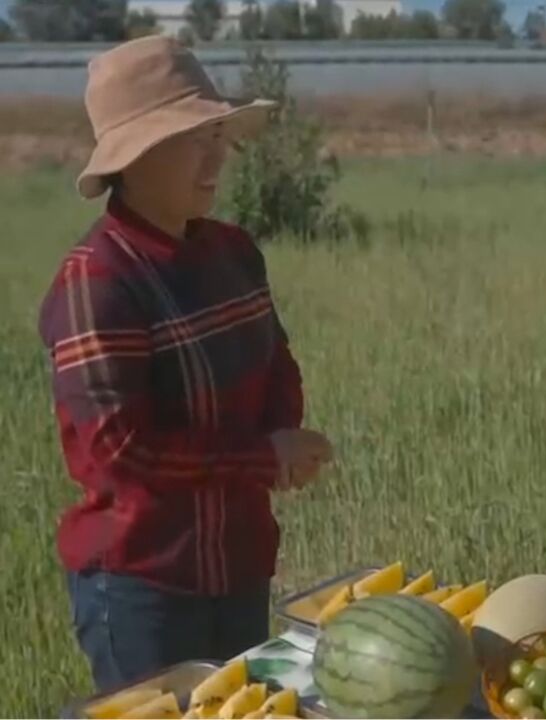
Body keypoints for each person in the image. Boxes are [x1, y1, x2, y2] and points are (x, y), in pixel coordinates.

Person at [37, 36, 334, 692]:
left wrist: (284, 438)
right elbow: (122, 451)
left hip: (239, 562)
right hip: (144, 586)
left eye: (218, 135)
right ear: (136, 157)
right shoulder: (97, 281)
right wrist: (262, 456)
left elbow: (276, 363)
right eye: (195, 138)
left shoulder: (233, 252)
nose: (217, 156)